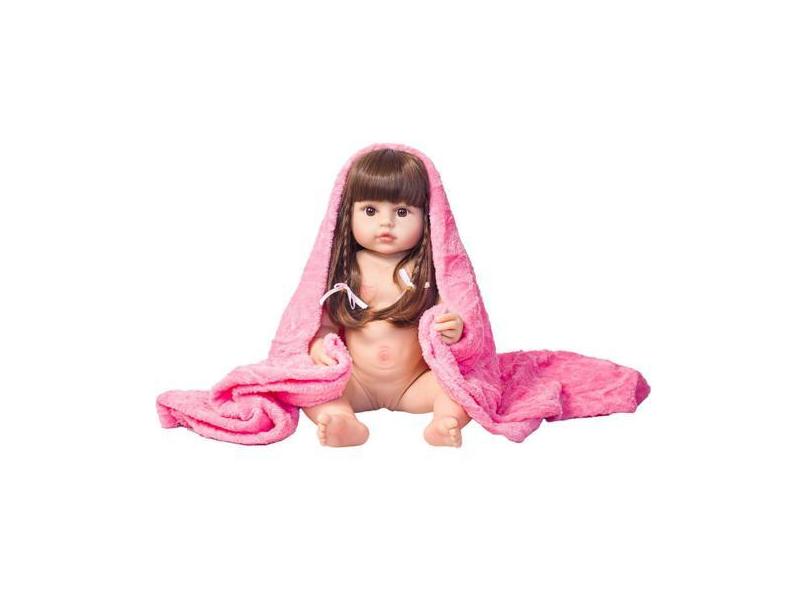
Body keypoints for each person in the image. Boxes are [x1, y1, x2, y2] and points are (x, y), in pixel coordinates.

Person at [302, 148, 471, 447]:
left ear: (428, 217)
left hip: (415, 384)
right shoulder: (345, 268)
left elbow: (448, 309)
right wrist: (319, 345)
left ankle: (444, 421)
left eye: (402, 212)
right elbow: (324, 323)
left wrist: (454, 327)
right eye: (370, 211)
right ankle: (343, 420)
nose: (386, 223)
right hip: (355, 382)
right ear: (347, 213)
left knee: (461, 389)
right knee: (311, 389)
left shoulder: (429, 268)